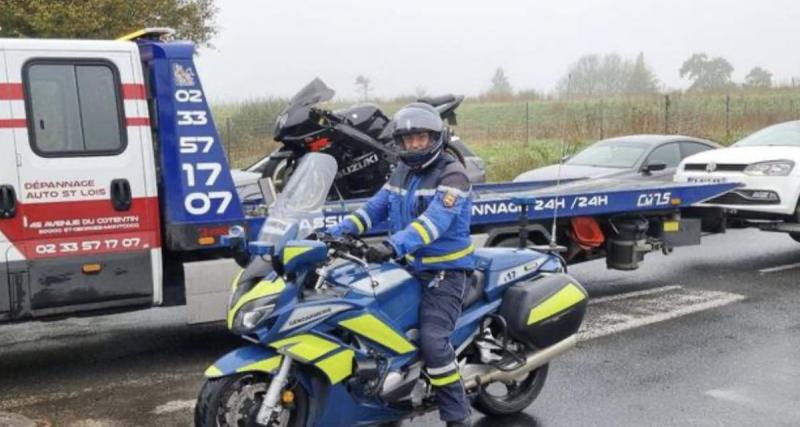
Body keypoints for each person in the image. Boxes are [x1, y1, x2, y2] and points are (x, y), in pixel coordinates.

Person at [328, 102, 474, 427]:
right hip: (408, 269)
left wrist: (392, 245)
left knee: (433, 342)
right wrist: (334, 232)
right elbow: (374, 209)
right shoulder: (402, 172)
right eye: (408, 140)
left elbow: (434, 223)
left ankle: (457, 416)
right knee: (371, 325)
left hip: (444, 274)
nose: (414, 145)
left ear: (436, 137)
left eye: (421, 138)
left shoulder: (452, 173)